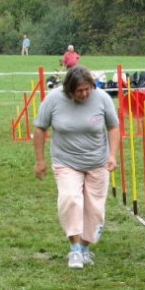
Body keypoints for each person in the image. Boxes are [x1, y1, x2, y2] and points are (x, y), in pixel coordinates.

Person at [33, 65, 121, 269]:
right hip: (66, 161)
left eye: (87, 89)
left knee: (95, 208)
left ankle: (85, 248)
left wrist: (112, 155)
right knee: (70, 199)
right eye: (79, 90)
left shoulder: (102, 98)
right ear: (69, 90)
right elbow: (39, 128)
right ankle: (74, 250)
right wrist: (39, 160)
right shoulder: (54, 99)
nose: (84, 94)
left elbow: (113, 126)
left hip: (97, 161)